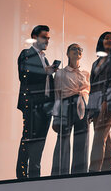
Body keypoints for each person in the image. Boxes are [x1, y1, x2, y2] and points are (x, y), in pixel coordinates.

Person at [16, 25, 58, 179]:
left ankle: (34, 176)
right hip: (32, 104)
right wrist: (45, 71)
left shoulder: (44, 58)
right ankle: (21, 175)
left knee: (39, 142)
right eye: (44, 37)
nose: (47, 40)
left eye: (48, 38)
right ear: (35, 37)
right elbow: (24, 76)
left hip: (45, 106)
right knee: (28, 139)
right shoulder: (26, 54)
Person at [51, 43, 90, 176]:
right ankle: (59, 175)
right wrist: (56, 116)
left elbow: (89, 92)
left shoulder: (85, 73)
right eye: (74, 49)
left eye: (79, 49)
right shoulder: (60, 73)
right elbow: (56, 95)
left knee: (82, 141)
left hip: (82, 106)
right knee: (63, 140)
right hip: (65, 105)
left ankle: (80, 175)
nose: (77, 51)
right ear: (67, 53)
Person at [87, 32, 111, 172]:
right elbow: (92, 86)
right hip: (95, 103)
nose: (109, 40)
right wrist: (90, 108)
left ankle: (93, 171)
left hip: (108, 103)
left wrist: (106, 101)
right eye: (107, 38)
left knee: (99, 137)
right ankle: (110, 169)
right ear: (101, 41)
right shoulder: (95, 63)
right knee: (104, 138)